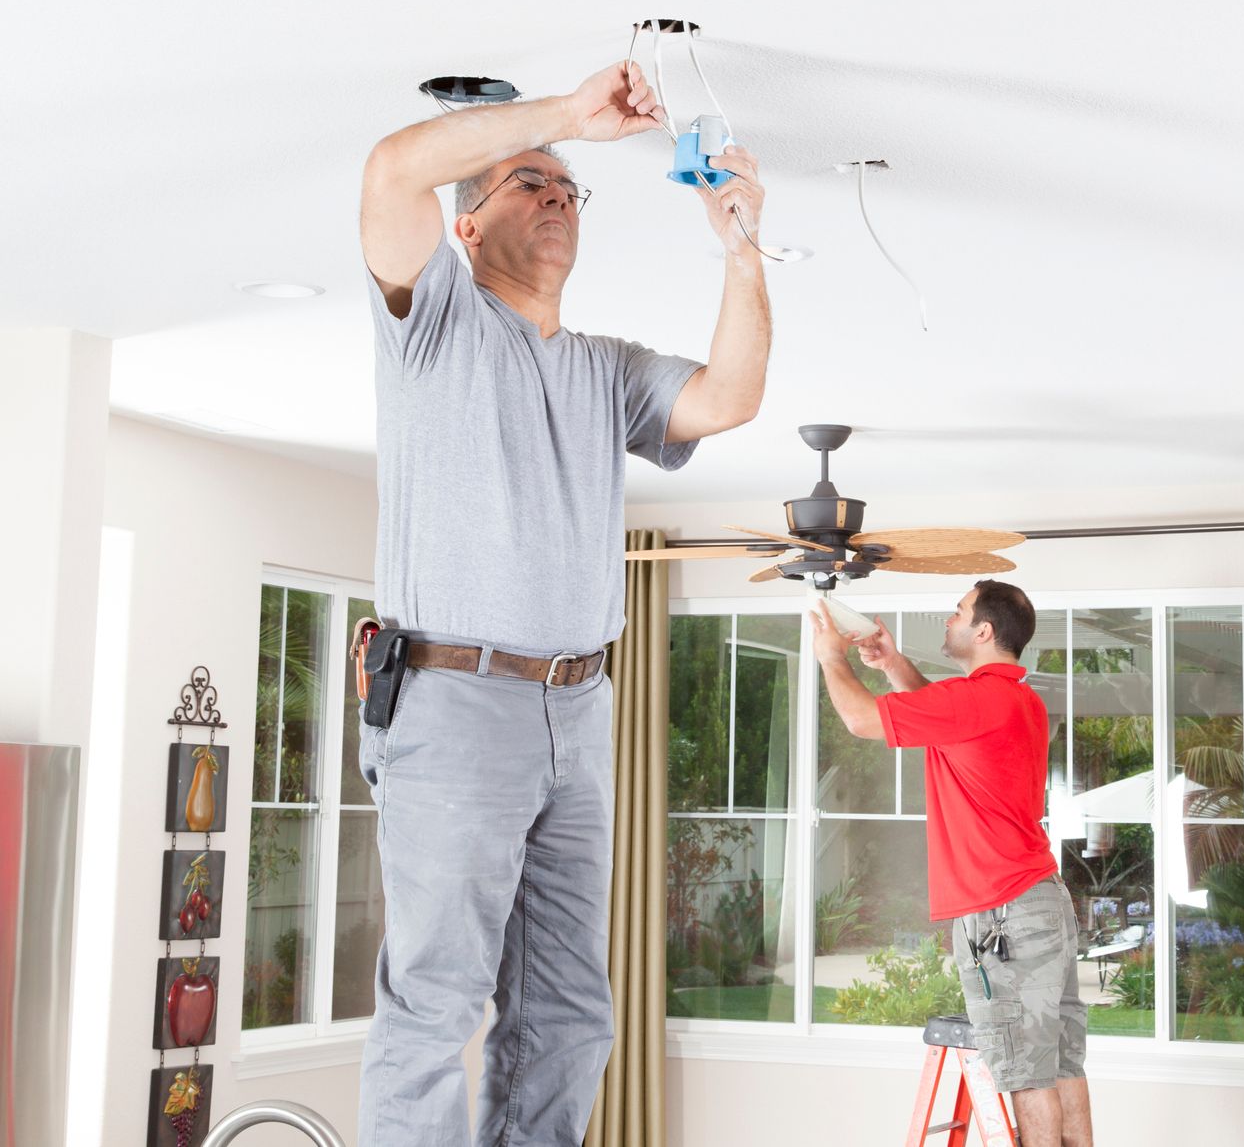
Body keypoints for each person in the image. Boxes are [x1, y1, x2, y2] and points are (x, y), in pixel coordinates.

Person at [357, 58, 770, 1147]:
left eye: (566, 187)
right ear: (468, 226)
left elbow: (727, 395)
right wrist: (567, 121)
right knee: (436, 998)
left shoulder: (606, 368)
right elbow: (394, 167)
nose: (556, 196)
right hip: (454, 702)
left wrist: (741, 248)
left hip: (579, 710)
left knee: (569, 1012)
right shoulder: (432, 324)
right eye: (528, 183)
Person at [811, 582, 1093, 1147]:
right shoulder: (1013, 699)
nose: (949, 619)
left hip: (1004, 914)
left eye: (958, 612)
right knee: (1061, 1063)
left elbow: (861, 720)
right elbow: (939, 723)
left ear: (984, 631)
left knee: (1025, 1071)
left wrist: (831, 657)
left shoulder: (977, 699)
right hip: (1039, 900)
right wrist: (893, 664)